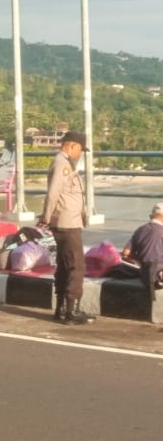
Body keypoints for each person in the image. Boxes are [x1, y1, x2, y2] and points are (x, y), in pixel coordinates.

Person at [38, 131, 95, 324]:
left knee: (64, 265)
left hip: (66, 221)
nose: (81, 153)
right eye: (80, 149)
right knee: (76, 266)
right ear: (71, 146)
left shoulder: (65, 163)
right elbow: (53, 193)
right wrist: (46, 218)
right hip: (67, 223)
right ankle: (72, 311)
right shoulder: (62, 164)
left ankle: (61, 309)